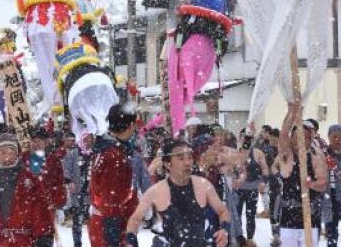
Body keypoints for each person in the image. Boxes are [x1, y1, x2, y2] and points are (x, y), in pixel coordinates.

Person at [125, 139, 231, 247]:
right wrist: (130, 241)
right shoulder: (156, 191)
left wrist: (224, 229)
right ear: (167, 164)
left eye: (189, 158)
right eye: (181, 158)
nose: (187, 163)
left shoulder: (203, 185)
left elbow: (222, 211)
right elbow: (135, 219)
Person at [276, 106, 328, 247]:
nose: (300, 139)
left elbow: (323, 182)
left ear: (310, 138)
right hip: (288, 216)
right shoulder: (287, 154)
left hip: (310, 217)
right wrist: (292, 114)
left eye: (304, 136)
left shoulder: (316, 155)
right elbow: (283, 135)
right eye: (297, 136)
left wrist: (312, 185)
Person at [88, 103, 139, 247]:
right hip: (113, 226)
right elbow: (110, 199)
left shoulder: (103, 148)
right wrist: (113, 238)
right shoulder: (114, 155)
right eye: (134, 124)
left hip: (104, 224)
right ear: (129, 125)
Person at [23, 127, 66, 247]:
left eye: (39, 141)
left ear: (46, 142)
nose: (36, 144)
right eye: (33, 140)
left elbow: (59, 183)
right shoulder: (22, 159)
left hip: (46, 213)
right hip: (24, 215)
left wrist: (59, 204)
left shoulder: (53, 160)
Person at [235, 127, 270, 246]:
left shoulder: (257, 153)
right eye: (243, 137)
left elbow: (265, 169)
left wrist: (263, 182)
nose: (246, 140)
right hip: (238, 189)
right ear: (240, 138)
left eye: (248, 138)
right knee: (237, 215)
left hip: (252, 189)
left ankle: (250, 239)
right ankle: (239, 239)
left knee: (250, 215)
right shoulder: (234, 152)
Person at [65, 134, 94, 247]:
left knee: (92, 221)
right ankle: (77, 243)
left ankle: (94, 242)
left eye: (89, 139)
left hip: (91, 193)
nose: (87, 141)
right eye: (85, 139)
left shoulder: (95, 153)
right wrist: (68, 181)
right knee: (77, 221)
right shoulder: (73, 153)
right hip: (77, 191)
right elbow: (66, 167)